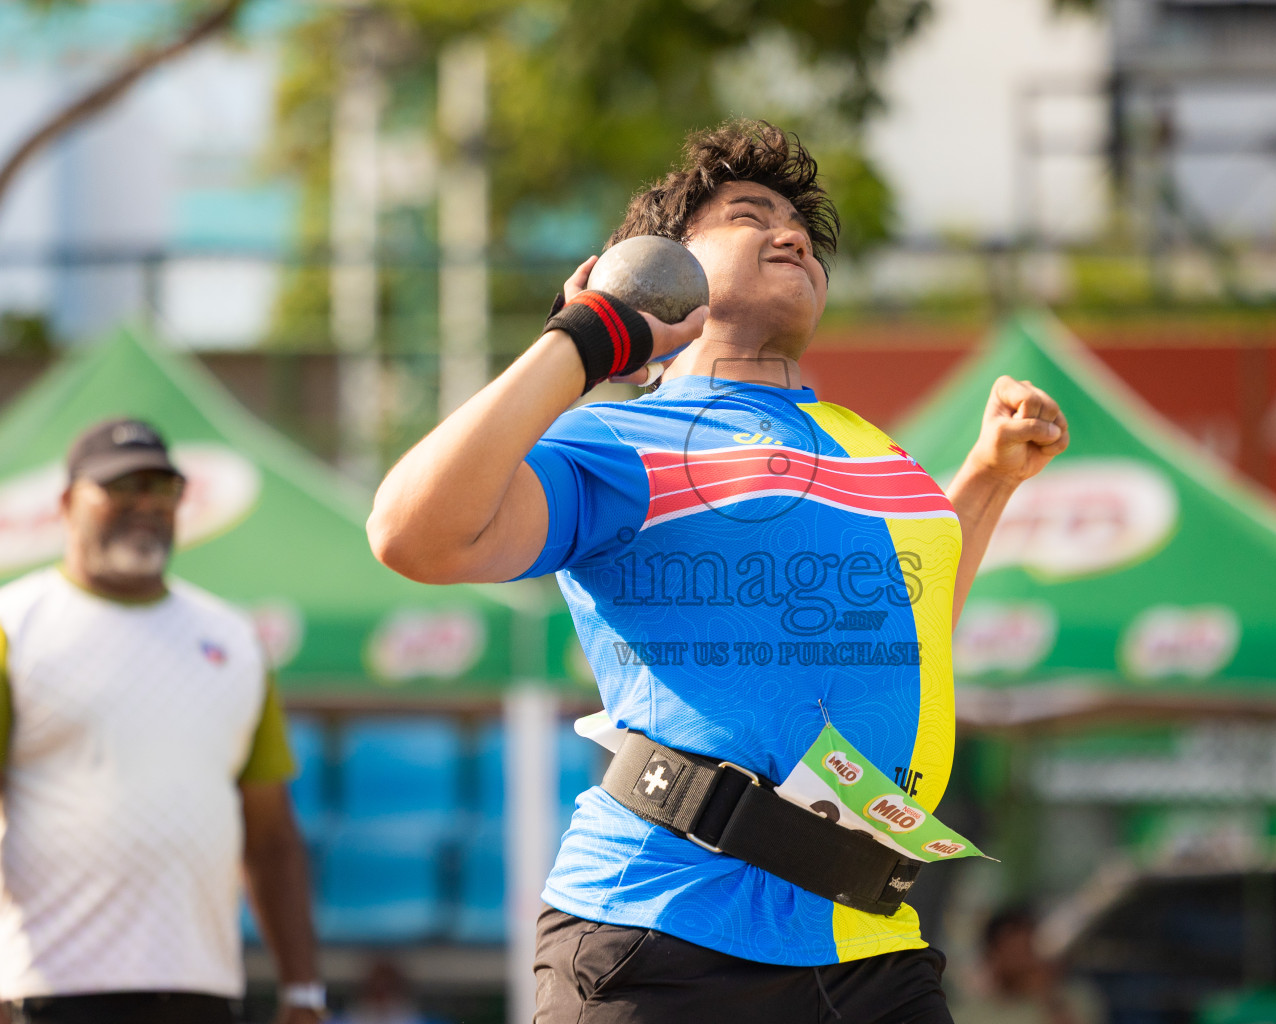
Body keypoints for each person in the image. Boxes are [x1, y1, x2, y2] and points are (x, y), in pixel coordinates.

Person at [369, 120, 1069, 1023]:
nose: (793, 237)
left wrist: (988, 479)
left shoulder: (875, 450)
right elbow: (411, 535)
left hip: (869, 943)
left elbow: (910, 630)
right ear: (667, 264)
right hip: (658, 931)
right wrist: (585, 337)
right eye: (751, 215)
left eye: (804, 231)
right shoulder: (618, 440)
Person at [0, 419, 325, 1024]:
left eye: (162, 487)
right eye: (122, 487)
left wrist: (303, 990)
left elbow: (271, 835)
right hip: (45, 991)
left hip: (200, 992)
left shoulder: (232, 639)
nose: (146, 504)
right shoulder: (14, 626)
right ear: (67, 503)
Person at [949, 907, 1104, 1024]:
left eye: (1028, 949)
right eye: (1014, 953)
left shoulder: (1076, 998)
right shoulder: (970, 1015)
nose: (1025, 962)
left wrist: (1048, 998)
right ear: (993, 957)